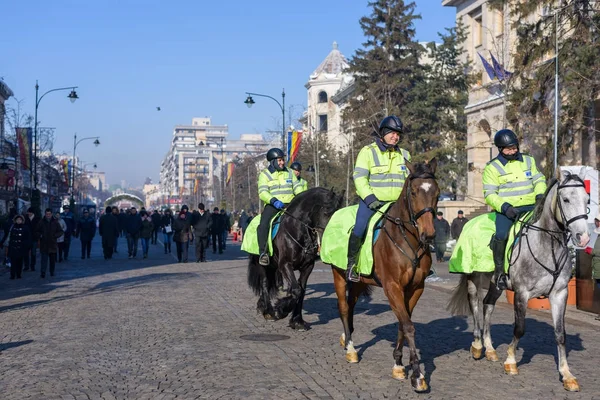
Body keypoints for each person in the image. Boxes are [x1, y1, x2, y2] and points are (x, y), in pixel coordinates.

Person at [347, 115, 411, 282]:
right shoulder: (367, 152)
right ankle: (352, 265)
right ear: (383, 133)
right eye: (392, 133)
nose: (395, 137)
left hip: (397, 204)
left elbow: (409, 182)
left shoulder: (404, 154)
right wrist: (369, 198)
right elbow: (359, 177)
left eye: (398, 134)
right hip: (372, 202)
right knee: (359, 228)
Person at [483, 129, 547, 290]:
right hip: (508, 210)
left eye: (514, 147)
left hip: (532, 206)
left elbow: (539, 179)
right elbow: (490, 194)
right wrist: (505, 207)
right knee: (501, 235)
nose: (513, 151)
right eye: (509, 149)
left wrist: (540, 195)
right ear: (500, 149)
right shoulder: (492, 168)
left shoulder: (528, 160)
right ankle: (499, 273)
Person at [257, 147, 303, 266]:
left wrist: (301, 197)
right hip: (274, 205)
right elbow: (263, 192)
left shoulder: (290, 172)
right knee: (263, 225)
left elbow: (297, 187)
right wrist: (273, 201)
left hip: (291, 204)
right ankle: (263, 253)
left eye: (283, 160)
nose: (282, 162)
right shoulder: (264, 175)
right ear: (273, 162)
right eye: (280, 160)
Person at [37, 208, 64, 278]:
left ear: (51, 214)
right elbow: (36, 231)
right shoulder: (41, 222)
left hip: (52, 244)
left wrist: (55, 236)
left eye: (49, 214)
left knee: (52, 260)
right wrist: (40, 235)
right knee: (44, 260)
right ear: (45, 214)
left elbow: (61, 231)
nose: (48, 215)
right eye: (47, 214)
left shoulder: (55, 222)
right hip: (44, 244)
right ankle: (43, 272)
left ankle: (52, 271)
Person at [5, 215, 31, 279]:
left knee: (19, 262)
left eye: (20, 220)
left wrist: (26, 245)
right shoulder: (12, 227)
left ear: (22, 221)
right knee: (13, 262)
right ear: (15, 220)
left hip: (21, 248)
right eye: (17, 220)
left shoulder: (25, 228)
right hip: (13, 247)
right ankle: (12, 275)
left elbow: (28, 238)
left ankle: (18, 274)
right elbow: (9, 237)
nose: (18, 221)